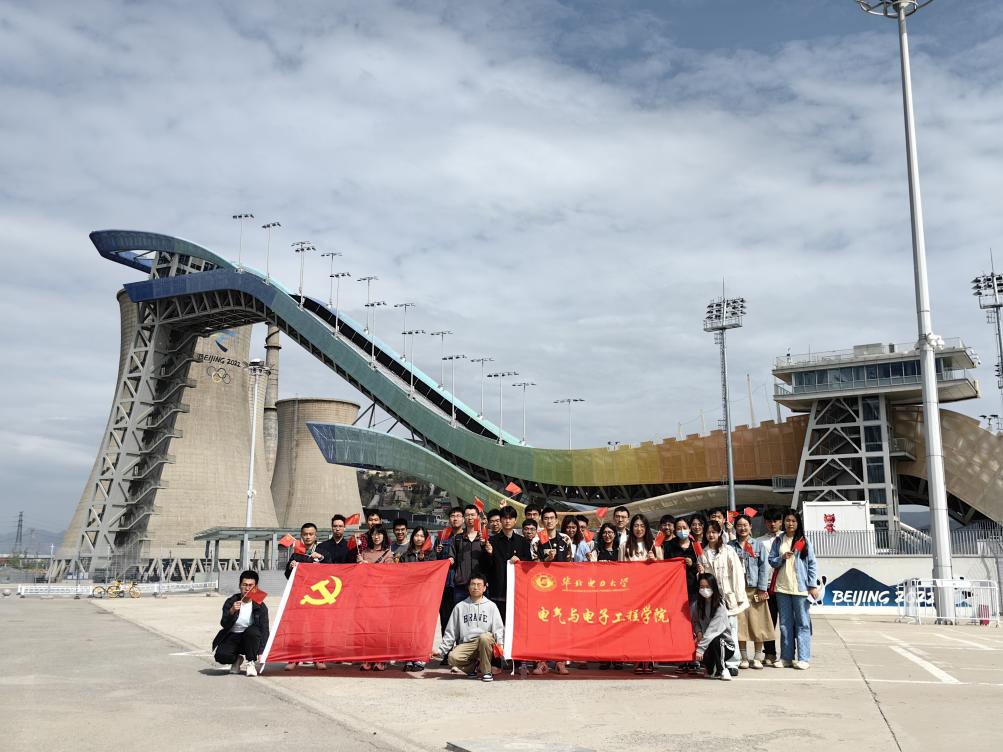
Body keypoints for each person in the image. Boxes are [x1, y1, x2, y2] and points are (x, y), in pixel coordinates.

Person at [768, 510, 819, 670]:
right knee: (785, 624)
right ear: (784, 522)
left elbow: (812, 564)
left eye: (793, 521)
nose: (790, 523)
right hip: (782, 588)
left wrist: (812, 585)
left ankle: (803, 658)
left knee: (803, 623)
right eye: (788, 520)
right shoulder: (779, 540)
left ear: (798, 523)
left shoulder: (804, 541)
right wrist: (781, 558)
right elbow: (772, 560)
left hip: (800, 589)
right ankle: (786, 657)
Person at [432, 574, 504, 682]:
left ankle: (486, 672)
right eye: (473, 584)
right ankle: (473, 668)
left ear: (484, 588)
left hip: (486, 642)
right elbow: (451, 631)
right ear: (468, 587)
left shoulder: (491, 606)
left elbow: (498, 628)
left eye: (479, 585)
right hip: (468, 644)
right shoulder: (460, 607)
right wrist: (441, 651)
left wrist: (500, 645)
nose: (476, 587)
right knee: (452, 657)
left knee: (484, 638)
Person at [698, 519, 747, 677]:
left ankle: (733, 663)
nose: (711, 535)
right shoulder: (702, 553)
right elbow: (703, 579)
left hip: (728, 596)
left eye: (714, 532)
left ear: (720, 533)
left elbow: (737, 573)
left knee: (731, 629)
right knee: (715, 631)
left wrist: (739, 595)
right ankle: (717, 662)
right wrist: (700, 572)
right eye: (708, 532)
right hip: (712, 599)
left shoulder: (728, 550)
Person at [530, 507, 573, 676]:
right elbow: (533, 567)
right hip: (542, 589)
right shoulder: (536, 541)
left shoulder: (565, 539)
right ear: (542, 521)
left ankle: (560, 661)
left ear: (557, 520)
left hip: (561, 590)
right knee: (542, 626)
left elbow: (570, 564)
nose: (549, 521)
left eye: (552, 518)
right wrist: (545, 561)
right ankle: (541, 662)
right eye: (546, 518)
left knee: (560, 626)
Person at [283, 523, 328, 671]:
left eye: (311, 534)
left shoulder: (322, 552)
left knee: (317, 629)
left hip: (317, 597)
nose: (308, 537)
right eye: (305, 534)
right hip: (300, 597)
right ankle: (293, 659)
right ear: (301, 535)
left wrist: (321, 558)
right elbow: (288, 576)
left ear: (316, 535)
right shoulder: (296, 553)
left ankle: (319, 659)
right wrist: (291, 567)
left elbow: (332, 568)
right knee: (296, 629)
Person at [729, 514, 771, 669]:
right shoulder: (730, 546)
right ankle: (744, 657)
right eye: (739, 525)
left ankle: (758, 657)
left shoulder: (758, 545)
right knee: (740, 624)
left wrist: (762, 588)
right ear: (735, 528)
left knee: (757, 623)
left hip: (755, 589)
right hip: (738, 590)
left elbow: (764, 568)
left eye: (745, 525)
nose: (742, 528)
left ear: (750, 526)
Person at [621, 514, 660, 674]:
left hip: (651, 592)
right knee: (635, 625)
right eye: (636, 525)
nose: (639, 529)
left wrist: (655, 561)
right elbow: (620, 570)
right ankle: (637, 658)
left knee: (649, 625)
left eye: (642, 526)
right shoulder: (624, 546)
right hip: (632, 592)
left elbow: (663, 571)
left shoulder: (655, 546)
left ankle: (649, 658)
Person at [213, 570, 269, 677]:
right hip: (233, 636)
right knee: (221, 656)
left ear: (255, 587)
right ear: (239, 586)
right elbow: (224, 624)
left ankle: (250, 662)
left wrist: (262, 651)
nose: (247, 588)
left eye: (251, 585)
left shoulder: (260, 606)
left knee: (253, 632)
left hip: (251, 639)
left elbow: (264, 629)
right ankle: (236, 660)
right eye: (244, 585)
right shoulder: (231, 602)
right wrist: (231, 611)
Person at [483, 506, 531, 621]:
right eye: (505, 518)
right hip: (498, 591)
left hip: (517, 592)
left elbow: (528, 564)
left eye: (510, 518)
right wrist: (489, 554)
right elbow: (486, 566)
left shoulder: (522, 541)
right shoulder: (492, 541)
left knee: (516, 623)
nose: (507, 521)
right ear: (501, 520)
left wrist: (520, 559)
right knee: (498, 624)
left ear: (515, 520)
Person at [358, 523, 394, 671]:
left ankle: (381, 658)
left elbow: (389, 574)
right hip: (367, 595)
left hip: (382, 595)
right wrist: (359, 564)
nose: (376, 536)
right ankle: (367, 658)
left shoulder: (388, 554)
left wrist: (371, 567)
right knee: (366, 628)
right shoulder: (364, 553)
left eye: (379, 534)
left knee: (381, 628)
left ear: (384, 536)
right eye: (373, 534)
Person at [400, 526, 432, 671]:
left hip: (424, 596)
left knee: (422, 627)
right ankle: (408, 657)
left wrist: (423, 561)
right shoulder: (405, 555)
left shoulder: (431, 555)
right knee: (408, 627)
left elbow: (432, 572)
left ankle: (420, 657)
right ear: (412, 537)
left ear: (426, 538)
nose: (419, 538)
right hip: (409, 596)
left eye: (421, 536)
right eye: (416, 535)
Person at [693, 573, 735, 680]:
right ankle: (711, 667)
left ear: (713, 587)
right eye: (702, 587)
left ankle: (723, 669)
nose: (704, 590)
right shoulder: (697, 605)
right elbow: (695, 622)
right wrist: (698, 632)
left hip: (725, 645)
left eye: (707, 587)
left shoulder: (720, 605)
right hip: (706, 642)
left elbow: (713, 630)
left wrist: (700, 649)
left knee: (716, 640)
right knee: (709, 671)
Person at [757, 508, 784, 666]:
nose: (772, 524)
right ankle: (770, 653)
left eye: (775, 521)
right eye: (769, 521)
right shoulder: (759, 541)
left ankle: (787, 654)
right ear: (765, 523)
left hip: (784, 586)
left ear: (781, 522)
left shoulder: (787, 539)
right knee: (768, 622)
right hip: (766, 587)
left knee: (786, 624)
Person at [449, 505, 488, 606]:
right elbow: (451, 559)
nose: (470, 518)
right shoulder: (457, 539)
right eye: (467, 515)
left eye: (472, 515)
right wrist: (449, 560)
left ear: (478, 517)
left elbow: (490, 561)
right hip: (461, 587)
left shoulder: (484, 538)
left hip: (479, 587)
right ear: (464, 518)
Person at [436, 506, 465, 635]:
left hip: (462, 583)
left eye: (458, 516)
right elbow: (436, 561)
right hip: (445, 584)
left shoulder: (467, 536)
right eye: (452, 516)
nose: (455, 519)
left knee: (461, 620)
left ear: (463, 519)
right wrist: (437, 553)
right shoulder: (442, 537)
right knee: (445, 619)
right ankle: (446, 646)